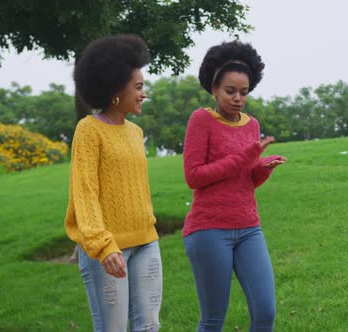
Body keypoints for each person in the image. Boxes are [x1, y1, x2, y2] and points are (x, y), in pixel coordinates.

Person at [182, 40, 287, 332]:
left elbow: (246, 179)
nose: (238, 98)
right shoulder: (201, 120)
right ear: (214, 88)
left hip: (249, 228)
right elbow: (194, 176)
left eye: (244, 92)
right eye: (230, 91)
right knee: (214, 319)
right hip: (209, 230)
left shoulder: (251, 125)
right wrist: (246, 157)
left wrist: (262, 169)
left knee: (265, 312)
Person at [64, 34, 162, 332]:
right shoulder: (89, 130)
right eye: (139, 86)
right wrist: (103, 246)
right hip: (106, 250)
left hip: (146, 242)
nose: (144, 93)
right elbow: (85, 193)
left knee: (149, 327)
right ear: (116, 89)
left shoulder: (135, 132)